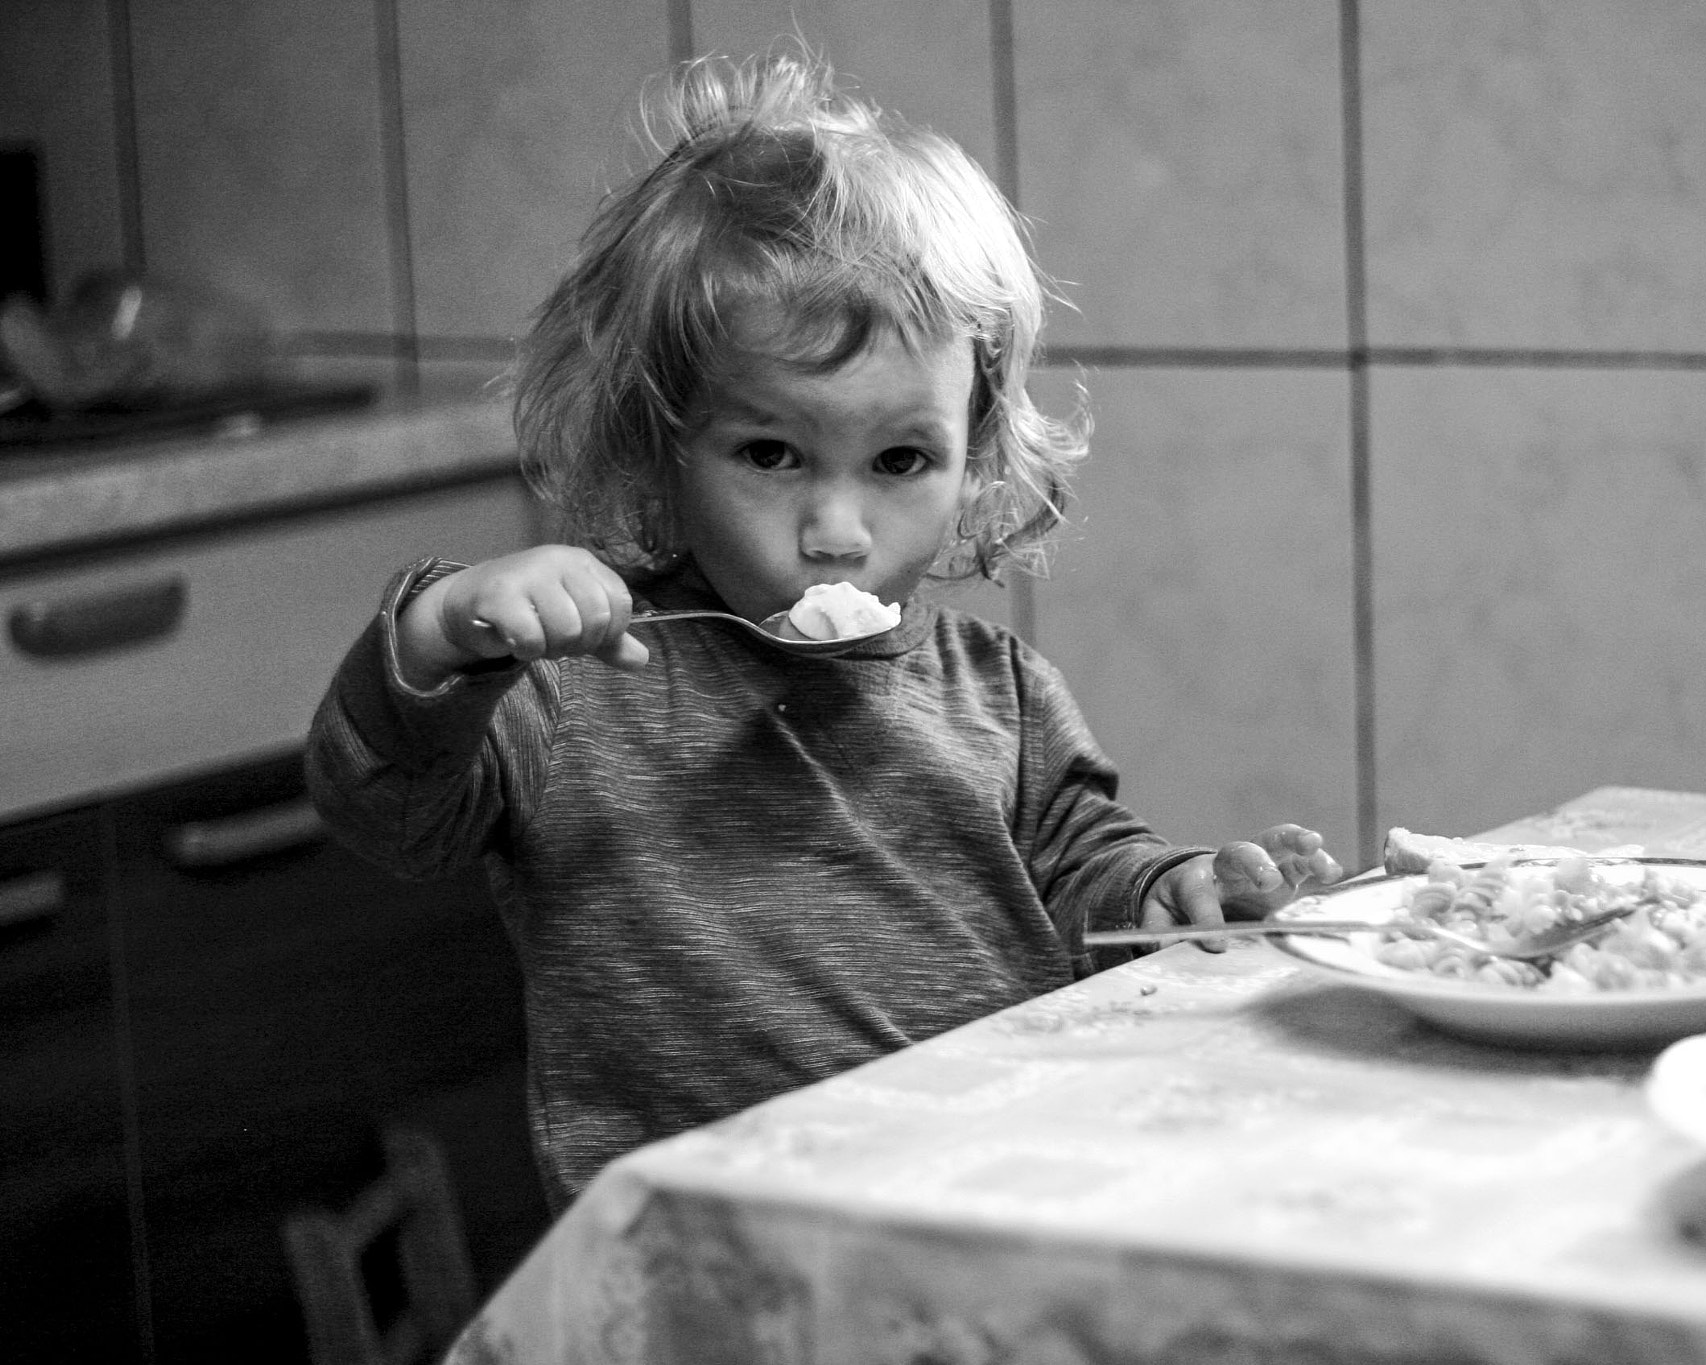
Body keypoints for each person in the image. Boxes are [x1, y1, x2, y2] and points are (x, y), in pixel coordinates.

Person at [305, 53, 1343, 1211]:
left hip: (975, 1206)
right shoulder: (566, 686)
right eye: (770, 454)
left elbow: (1080, 872)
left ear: (976, 455)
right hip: (703, 1247)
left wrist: (1172, 890)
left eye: (900, 460)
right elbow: (384, 808)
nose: (837, 530)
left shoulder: (998, 691)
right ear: (657, 441)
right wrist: (444, 635)